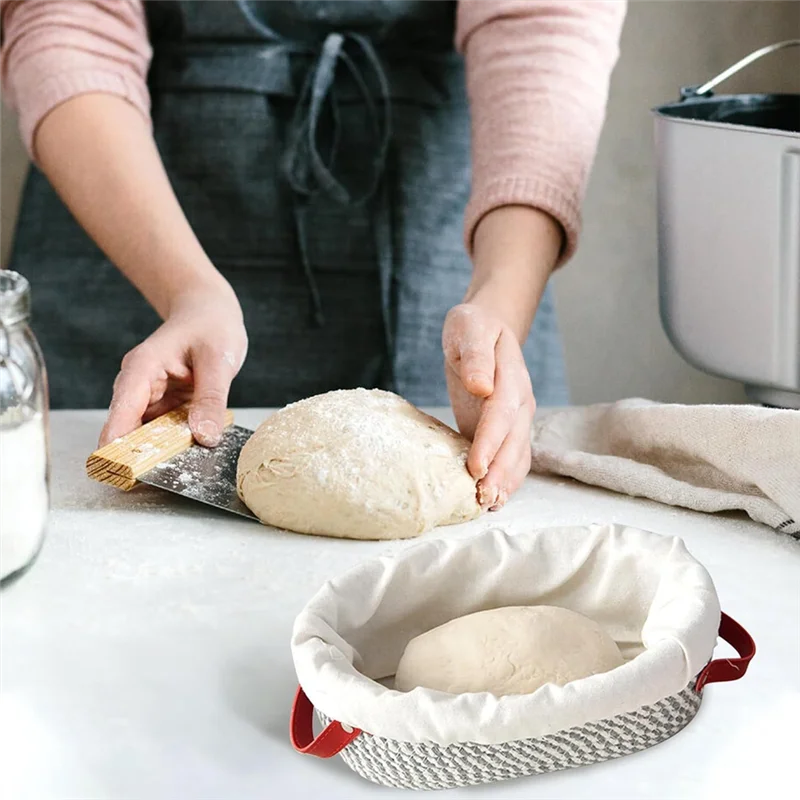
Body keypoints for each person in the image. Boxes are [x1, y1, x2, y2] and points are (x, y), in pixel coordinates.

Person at [0, 0, 625, 510]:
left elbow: (544, 24)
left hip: (450, 224)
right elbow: (69, 18)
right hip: (132, 200)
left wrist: (498, 301)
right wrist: (186, 289)